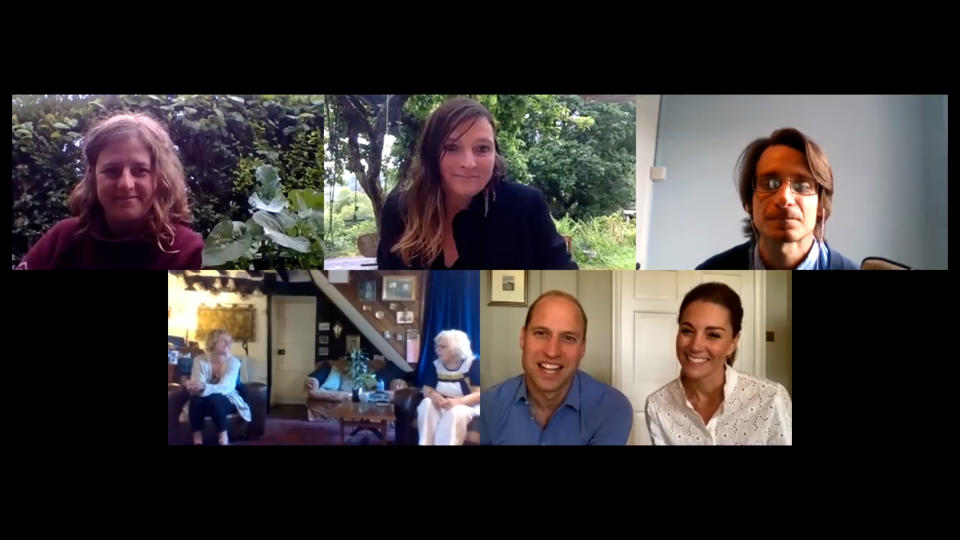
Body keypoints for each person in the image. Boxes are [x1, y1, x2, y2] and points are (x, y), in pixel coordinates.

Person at [378, 97, 577, 270]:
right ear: (431, 153)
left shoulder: (524, 206)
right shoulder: (399, 210)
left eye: (482, 148)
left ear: (494, 153)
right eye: (452, 147)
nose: (469, 163)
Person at [16, 112, 203, 269]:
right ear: (94, 177)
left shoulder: (188, 253)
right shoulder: (63, 240)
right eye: (112, 171)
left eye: (140, 171)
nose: (125, 184)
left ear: (160, 178)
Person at [645, 282, 792, 445]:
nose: (695, 346)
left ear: (733, 342)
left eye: (713, 335)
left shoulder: (770, 399)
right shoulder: (658, 405)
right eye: (687, 330)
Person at [480, 290, 632, 445]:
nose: (552, 352)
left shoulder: (612, 408)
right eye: (541, 333)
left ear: (582, 348)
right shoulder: (487, 407)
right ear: (522, 338)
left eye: (568, 338)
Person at [697, 127, 857, 270]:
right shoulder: (709, 275)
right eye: (771, 184)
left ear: (820, 206)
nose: (784, 198)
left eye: (802, 186)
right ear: (749, 202)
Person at [178, 329, 250, 445]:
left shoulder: (234, 362)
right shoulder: (199, 360)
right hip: (202, 401)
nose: (228, 343)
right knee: (196, 400)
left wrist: (202, 386)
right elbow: (197, 384)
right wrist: (195, 386)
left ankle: (223, 438)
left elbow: (226, 387)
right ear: (213, 342)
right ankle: (197, 439)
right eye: (224, 341)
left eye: (229, 341)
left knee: (214, 398)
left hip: (228, 400)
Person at [417, 329, 481, 445]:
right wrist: (434, 396)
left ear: (456, 348)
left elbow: (480, 394)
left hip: (466, 405)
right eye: (437, 346)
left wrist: (459, 401)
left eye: (442, 347)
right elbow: (427, 389)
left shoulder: (473, 364)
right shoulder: (436, 365)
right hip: (442, 404)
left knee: (455, 412)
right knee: (426, 403)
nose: (437, 350)